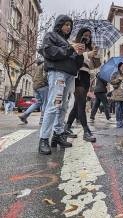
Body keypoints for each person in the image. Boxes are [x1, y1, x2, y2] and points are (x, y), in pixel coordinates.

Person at [38, 14, 84, 155]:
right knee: (54, 104)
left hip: (69, 75)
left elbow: (77, 64)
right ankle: (44, 139)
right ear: (59, 24)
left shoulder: (69, 42)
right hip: (58, 73)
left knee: (63, 106)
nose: (68, 27)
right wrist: (70, 49)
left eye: (70, 25)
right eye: (65, 24)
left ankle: (57, 136)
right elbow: (49, 52)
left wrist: (80, 54)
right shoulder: (51, 36)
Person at [65, 28, 100, 142]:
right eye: (85, 35)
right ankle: (86, 131)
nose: (87, 37)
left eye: (89, 36)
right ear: (80, 35)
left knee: (77, 105)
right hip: (77, 75)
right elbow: (72, 57)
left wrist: (95, 55)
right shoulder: (74, 44)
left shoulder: (91, 47)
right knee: (81, 103)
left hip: (86, 76)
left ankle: (67, 127)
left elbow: (94, 66)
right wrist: (86, 54)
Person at [19, 58, 48, 125]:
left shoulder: (36, 68)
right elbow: (46, 75)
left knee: (38, 103)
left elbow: (33, 77)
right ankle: (42, 120)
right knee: (45, 103)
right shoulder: (43, 66)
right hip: (42, 86)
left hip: (35, 87)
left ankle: (24, 115)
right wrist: (45, 83)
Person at [110, 62, 123, 128]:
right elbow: (111, 82)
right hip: (117, 93)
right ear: (119, 67)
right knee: (118, 107)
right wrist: (118, 79)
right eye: (122, 66)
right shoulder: (115, 74)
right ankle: (118, 121)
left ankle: (121, 121)